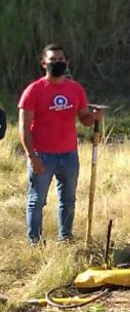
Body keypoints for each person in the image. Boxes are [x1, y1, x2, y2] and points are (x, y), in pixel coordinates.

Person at [18, 44, 104, 243]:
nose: (57, 63)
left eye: (60, 60)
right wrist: (32, 156)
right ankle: (35, 242)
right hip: (42, 155)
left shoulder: (75, 89)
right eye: (52, 60)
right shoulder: (33, 91)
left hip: (69, 155)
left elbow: (84, 118)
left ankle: (65, 238)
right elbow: (23, 127)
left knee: (68, 200)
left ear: (67, 63)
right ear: (43, 63)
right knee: (37, 200)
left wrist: (94, 117)